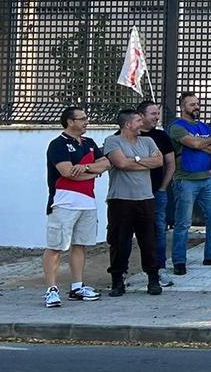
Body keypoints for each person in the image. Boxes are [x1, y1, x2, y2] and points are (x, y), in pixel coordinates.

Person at [42, 106, 109, 308]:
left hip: (87, 201)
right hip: (64, 201)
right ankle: (51, 289)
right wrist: (93, 171)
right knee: (56, 246)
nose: (86, 121)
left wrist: (87, 168)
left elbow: (106, 163)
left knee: (80, 244)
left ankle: (77, 287)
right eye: (82, 119)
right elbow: (67, 172)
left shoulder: (88, 142)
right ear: (70, 122)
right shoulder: (58, 144)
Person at [103, 109, 165, 297]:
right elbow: (121, 164)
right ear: (128, 124)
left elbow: (159, 161)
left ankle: (153, 279)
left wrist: (135, 160)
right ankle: (117, 280)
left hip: (145, 198)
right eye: (139, 120)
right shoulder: (112, 141)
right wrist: (144, 161)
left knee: (149, 241)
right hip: (120, 200)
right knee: (119, 241)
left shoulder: (148, 141)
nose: (143, 123)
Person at [169, 92, 211, 274]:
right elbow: (195, 144)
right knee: (183, 223)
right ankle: (179, 261)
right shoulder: (176, 127)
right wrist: (206, 142)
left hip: (207, 178)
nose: (196, 107)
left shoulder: (204, 126)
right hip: (185, 179)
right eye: (191, 104)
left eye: (197, 104)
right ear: (182, 107)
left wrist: (202, 142)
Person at [137, 101, 175, 287]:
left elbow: (169, 163)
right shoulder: (124, 137)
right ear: (140, 116)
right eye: (152, 113)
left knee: (159, 230)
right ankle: (121, 274)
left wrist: (162, 187)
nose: (156, 117)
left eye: (157, 113)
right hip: (132, 196)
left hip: (156, 193)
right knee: (127, 232)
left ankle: (159, 268)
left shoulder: (161, 136)